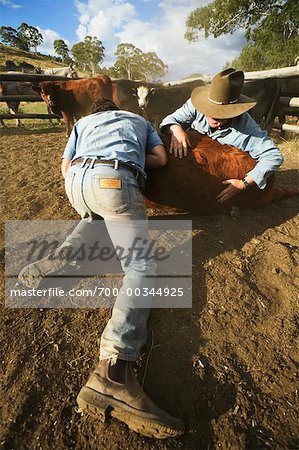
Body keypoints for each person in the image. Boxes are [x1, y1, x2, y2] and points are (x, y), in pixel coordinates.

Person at [19, 98, 184, 439]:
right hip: (113, 180)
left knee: (92, 216)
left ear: (96, 112)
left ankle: (58, 261)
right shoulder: (139, 120)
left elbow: (65, 165)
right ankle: (115, 371)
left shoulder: (82, 123)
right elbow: (161, 159)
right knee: (140, 266)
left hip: (76, 184)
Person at [160, 68, 284, 203]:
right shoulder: (195, 105)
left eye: (222, 114)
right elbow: (170, 120)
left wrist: (244, 183)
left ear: (234, 111)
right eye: (210, 110)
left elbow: (273, 156)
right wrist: (176, 129)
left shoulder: (246, 128)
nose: (214, 118)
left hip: (221, 169)